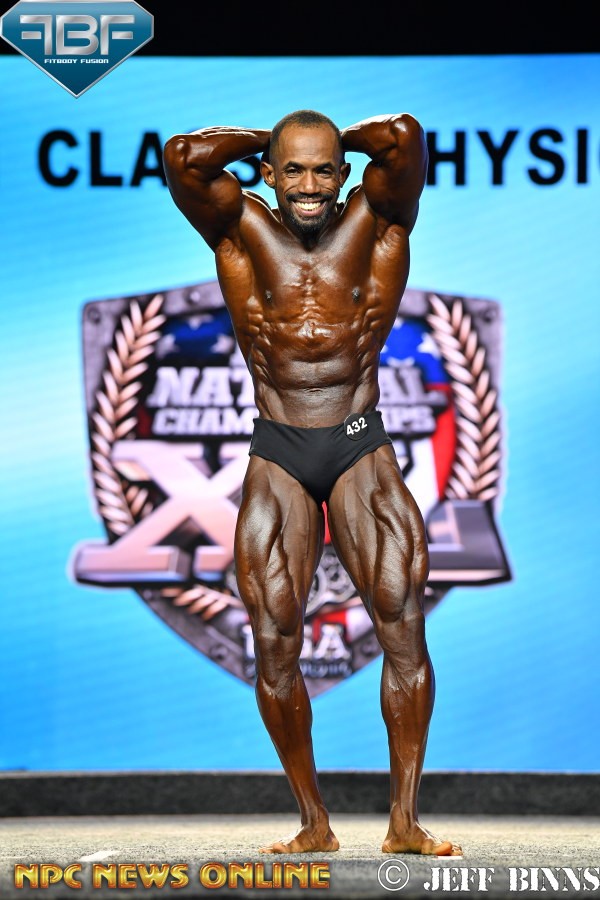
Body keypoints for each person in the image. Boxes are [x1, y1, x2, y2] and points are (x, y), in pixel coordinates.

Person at [163, 110, 461, 856]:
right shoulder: (238, 230)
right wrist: (275, 138)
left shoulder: (379, 220)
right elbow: (185, 156)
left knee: (402, 626)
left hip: (359, 443)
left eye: (324, 169)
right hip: (279, 448)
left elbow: (402, 135)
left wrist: (329, 137)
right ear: (267, 173)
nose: (308, 185)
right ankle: (313, 822)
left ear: (344, 174)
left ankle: (405, 822)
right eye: (292, 169)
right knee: (273, 641)